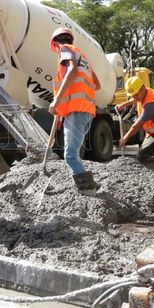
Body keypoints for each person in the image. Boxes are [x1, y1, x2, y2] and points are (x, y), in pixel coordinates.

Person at [48, 27, 101, 193]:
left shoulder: (65, 50)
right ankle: (87, 183)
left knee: (70, 155)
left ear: (56, 44)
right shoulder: (82, 57)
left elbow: (72, 71)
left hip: (76, 111)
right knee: (74, 154)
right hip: (87, 111)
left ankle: (88, 189)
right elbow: (96, 85)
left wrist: (57, 100)